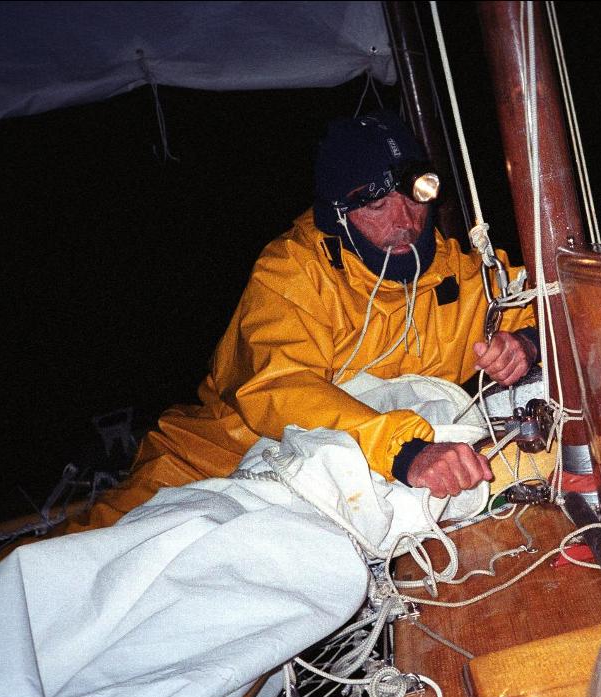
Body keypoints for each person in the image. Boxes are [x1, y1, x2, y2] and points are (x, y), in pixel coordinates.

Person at [63, 110, 538, 532]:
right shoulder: (291, 272)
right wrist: (403, 450)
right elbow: (280, 386)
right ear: (338, 214)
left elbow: (553, 308)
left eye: (416, 195)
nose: (405, 221)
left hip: (359, 482)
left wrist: (528, 343)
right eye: (376, 205)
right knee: (86, 557)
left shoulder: (465, 274)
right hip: (220, 459)